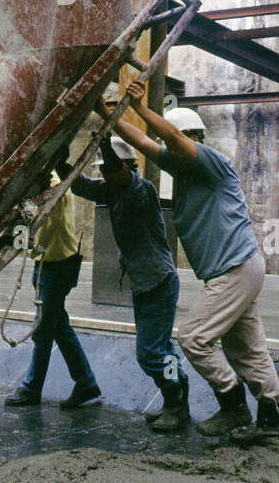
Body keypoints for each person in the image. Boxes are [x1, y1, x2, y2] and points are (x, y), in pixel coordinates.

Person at [107, 82, 279, 446]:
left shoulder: (213, 164)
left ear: (195, 138)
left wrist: (141, 107)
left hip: (235, 269)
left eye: (180, 141)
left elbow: (167, 137)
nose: (172, 149)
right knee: (246, 350)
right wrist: (103, 114)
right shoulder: (183, 174)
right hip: (237, 270)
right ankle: (270, 422)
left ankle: (233, 405)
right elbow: (143, 143)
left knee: (193, 337)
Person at [59, 121, 191, 432]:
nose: (104, 174)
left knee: (150, 355)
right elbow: (79, 184)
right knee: (163, 350)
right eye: (103, 171)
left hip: (158, 282)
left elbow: (118, 173)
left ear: (129, 167)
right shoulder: (111, 190)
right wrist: (57, 161)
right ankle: (178, 398)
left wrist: (104, 141)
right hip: (146, 284)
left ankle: (175, 401)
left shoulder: (140, 189)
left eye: (108, 169)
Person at [5, 154, 101, 411]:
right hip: (49, 260)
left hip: (56, 264)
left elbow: (44, 215)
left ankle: (31, 388)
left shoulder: (53, 186)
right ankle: (85, 382)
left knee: (44, 329)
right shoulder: (49, 184)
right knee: (59, 326)